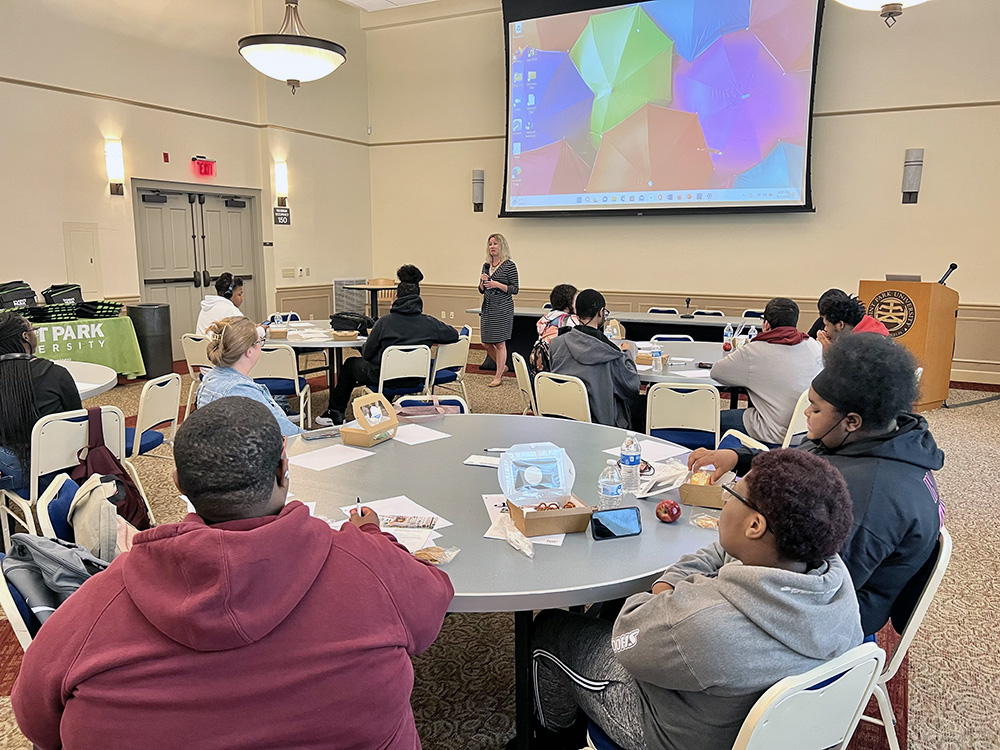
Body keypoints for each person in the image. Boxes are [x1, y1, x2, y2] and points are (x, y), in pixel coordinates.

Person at [11, 396, 454, 750]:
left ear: (178, 486)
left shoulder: (94, 608)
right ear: (285, 468)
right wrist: (375, 537)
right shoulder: (366, 563)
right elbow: (432, 606)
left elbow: (36, 722)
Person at [532, 449, 863, 750]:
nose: (723, 499)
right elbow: (723, 551)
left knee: (551, 628)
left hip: (674, 735)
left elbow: (627, 634)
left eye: (732, 493)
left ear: (755, 525)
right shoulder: (832, 578)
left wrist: (668, 588)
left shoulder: (701, 624)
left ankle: (552, 736)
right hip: (763, 728)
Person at [689, 333, 942, 636]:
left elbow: (813, 584)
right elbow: (798, 463)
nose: (806, 413)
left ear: (852, 421)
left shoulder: (869, 501)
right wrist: (739, 457)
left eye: (816, 408)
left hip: (830, 619)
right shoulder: (874, 437)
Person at [318, 268, 459, 426]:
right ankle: (386, 405)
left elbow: (368, 354)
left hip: (383, 378)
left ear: (396, 297)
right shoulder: (429, 323)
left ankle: (335, 412)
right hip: (416, 378)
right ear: (418, 298)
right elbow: (453, 334)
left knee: (351, 364)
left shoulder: (384, 323)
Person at [711, 297, 823, 444]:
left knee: (713, 419)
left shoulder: (754, 351)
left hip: (774, 431)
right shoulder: (814, 345)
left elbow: (716, 372)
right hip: (806, 428)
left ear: (766, 324)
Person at [0, 313, 82, 491]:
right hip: (61, 466)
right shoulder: (56, 374)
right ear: (25, 336)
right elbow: (77, 422)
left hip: (11, 474)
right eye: (33, 330)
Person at [547, 289, 641, 429]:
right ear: (600, 312)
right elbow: (632, 386)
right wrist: (627, 353)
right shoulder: (610, 353)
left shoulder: (556, 345)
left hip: (563, 419)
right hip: (601, 423)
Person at [196, 317, 302, 436]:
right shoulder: (241, 389)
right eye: (259, 342)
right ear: (249, 351)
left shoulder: (209, 379)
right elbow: (285, 430)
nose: (260, 346)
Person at [478, 233, 519, 387]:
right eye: (490, 244)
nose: (492, 247)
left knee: (500, 343)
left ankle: (498, 375)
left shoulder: (509, 265)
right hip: (488, 306)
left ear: (502, 246)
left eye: (495, 244)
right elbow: (481, 289)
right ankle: (503, 366)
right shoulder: (486, 265)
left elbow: (515, 289)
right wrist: (483, 283)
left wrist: (497, 285)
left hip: (503, 307)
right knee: (485, 343)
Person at [811, 288, 888, 350]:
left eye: (827, 325)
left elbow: (850, 368)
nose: (825, 329)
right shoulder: (872, 329)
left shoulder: (866, 344)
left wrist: (829, 352)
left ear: (840, 325)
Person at [530, 284, 580, 375]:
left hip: (542, 370)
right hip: (558, 368)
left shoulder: (546, 318)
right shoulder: (570, 321)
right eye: (576, 301)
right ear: (567, 305)